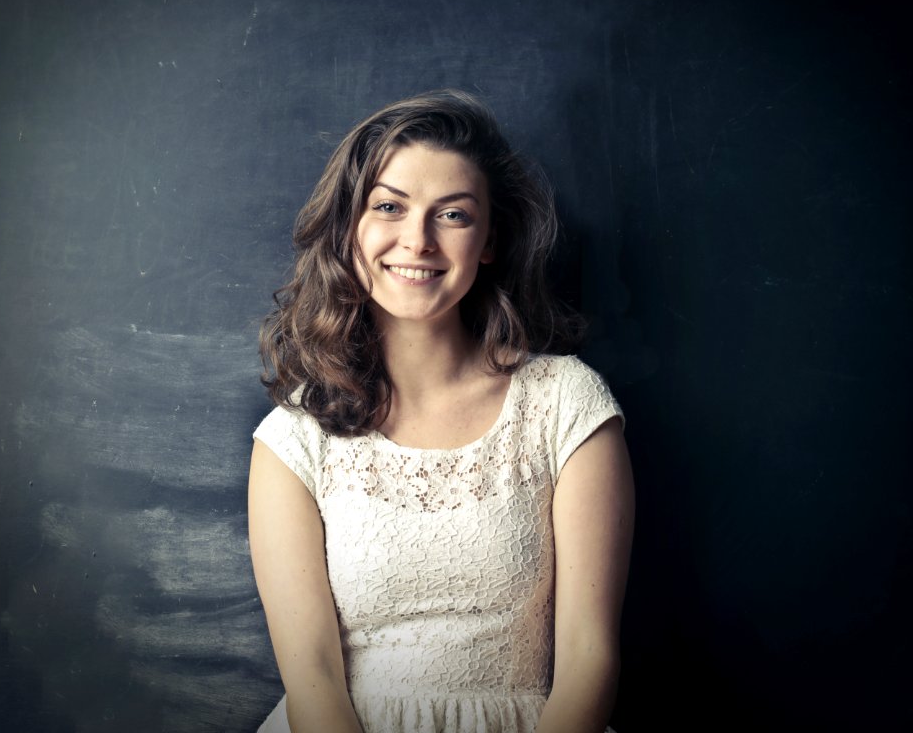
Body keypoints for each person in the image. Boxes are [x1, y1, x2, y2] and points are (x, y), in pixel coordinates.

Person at [248, 90, 635, 733]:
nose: (417, 240)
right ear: (350, 227)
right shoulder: (293, 438)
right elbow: (311, 676)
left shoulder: (568, 404)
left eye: (452, 214)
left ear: (488, 241)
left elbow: (590, 660)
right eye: (388, 207)